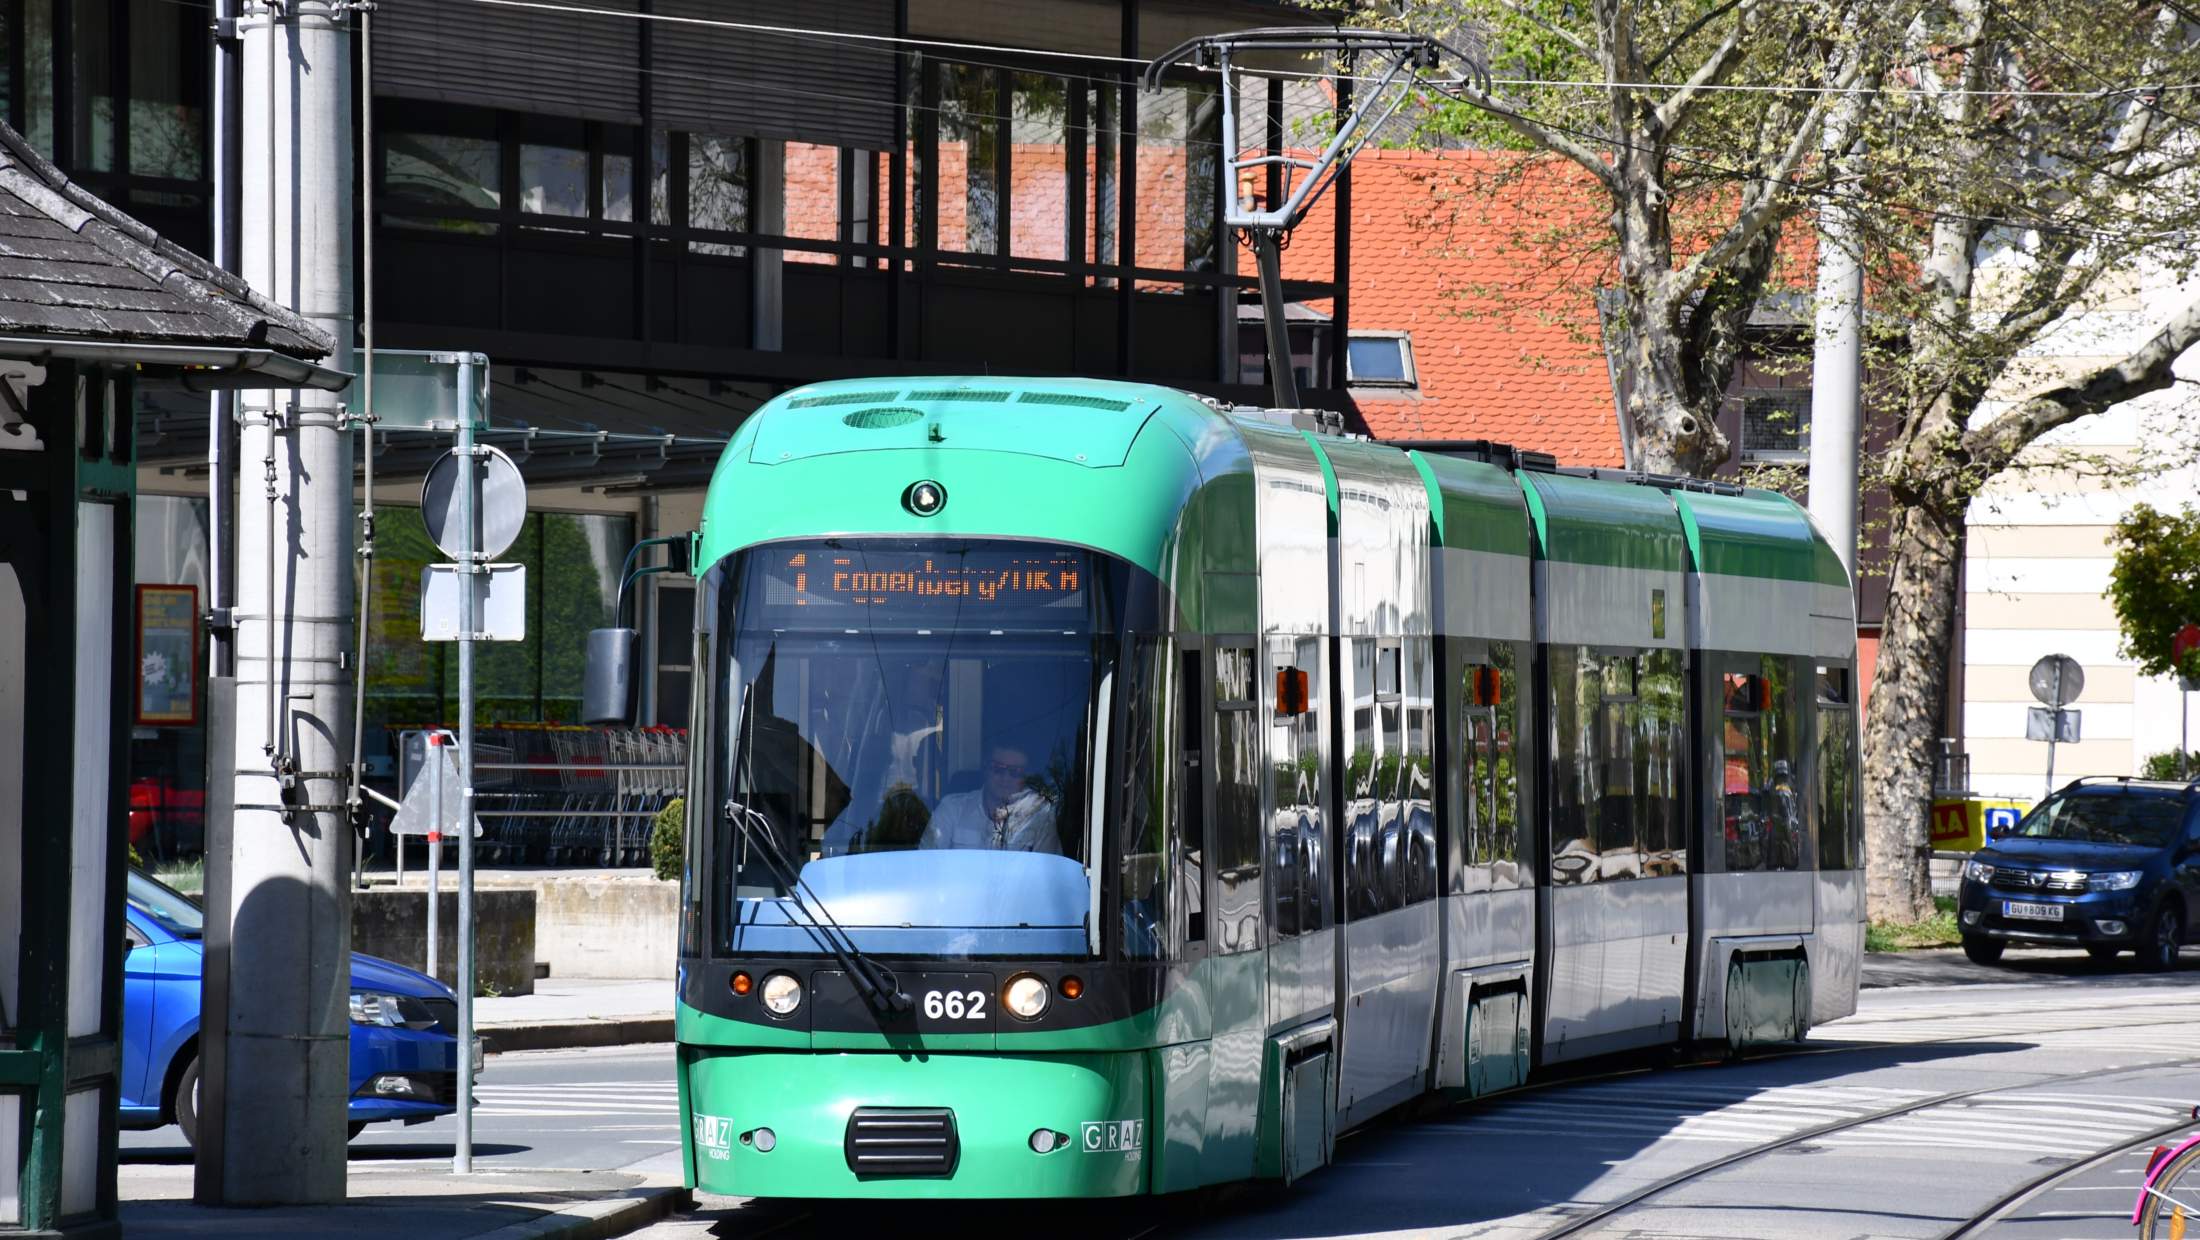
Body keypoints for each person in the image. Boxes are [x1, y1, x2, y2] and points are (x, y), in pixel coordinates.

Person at [920, 744, 1061, 853]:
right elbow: (927, 864)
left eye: (1016, 771)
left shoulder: (1039, 816)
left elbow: (1045, 879)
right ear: (986, 767)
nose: (1006, 778)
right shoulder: (952, 809)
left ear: (1027, 775)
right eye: (998, 768)